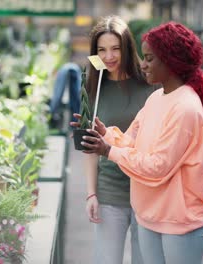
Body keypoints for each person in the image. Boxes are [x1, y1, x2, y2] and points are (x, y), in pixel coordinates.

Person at [79, 21, 203, 263]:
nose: (143, 64)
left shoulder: (185, 108)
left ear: (170, 61)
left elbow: (158, 166)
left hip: (178, 219)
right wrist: (106, 135)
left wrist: (109, 150)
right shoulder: (157, 97)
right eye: (102, 50)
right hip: (150, 212)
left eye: (149, 58)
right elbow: (133, 141)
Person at [82, 15, 152, 264]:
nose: (109, 56)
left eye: (115, 49)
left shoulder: (150, 84)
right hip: (110, 191)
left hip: (148, 191)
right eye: (101, 50)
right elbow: (89, 148)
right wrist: (91, 194)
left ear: (127, 48)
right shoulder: (93, 89)